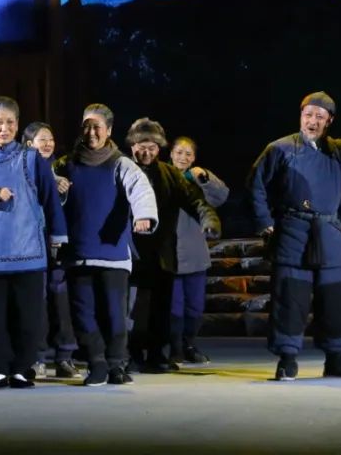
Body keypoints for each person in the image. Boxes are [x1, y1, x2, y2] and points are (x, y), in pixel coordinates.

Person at [248, 91, 341, 381]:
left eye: (319, 117)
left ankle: (335, 358)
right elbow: (256, 185)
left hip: (328, 232)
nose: (312, 121)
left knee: (336, 298)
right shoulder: (279, 149)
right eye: (308, 115)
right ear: (301, 116)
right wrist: (265, 223)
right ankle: (287, 358)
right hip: (292, 232)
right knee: (291, 297)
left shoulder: (339, 151)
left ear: (329, 121)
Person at [0, 99, 68, 389]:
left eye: (9, 122)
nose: (4, 128)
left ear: (17, 125)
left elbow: (50, 199)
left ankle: (21, 367)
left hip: (28, 249)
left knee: (28, 316)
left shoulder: (32, 159)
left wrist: (58, 236)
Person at [54, 103, 158, 386]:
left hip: (112, 254)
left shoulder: (120, 163)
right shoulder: (66, 164)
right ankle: (97, 363)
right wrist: (55, 182)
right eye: (86, 126)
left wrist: (144, 216)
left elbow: (140, 189)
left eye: (97, 126)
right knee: (83, 314)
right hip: (78, 252)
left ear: (109, 130)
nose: (91, 132)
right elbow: (45, 183)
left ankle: (116, 364)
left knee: (114, 315)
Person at [124, 119, 219, 373]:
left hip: (163, 253)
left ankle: (157, 355)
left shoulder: (169, 174)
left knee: (161, 309)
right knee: (133, 310)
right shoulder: (122, 169)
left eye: (153, 147)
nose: (147, 152)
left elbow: (194, 199)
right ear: (132, 146)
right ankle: (129, 354)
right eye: (142, 146)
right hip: (130, 253)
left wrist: (209, 219)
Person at [21, 121, 81, 379]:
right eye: (41, 139)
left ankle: (65, 356)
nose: (47, 144)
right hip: (30, 243)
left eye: (50, 139)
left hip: (58, 245)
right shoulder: (21, 168)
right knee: (37, 300)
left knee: (60, 299)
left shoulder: (64, 168)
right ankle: (37, 357)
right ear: (28, 144)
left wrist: (62, 191)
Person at [167, 135, 229, 364]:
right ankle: (174, 347)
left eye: (188, 154)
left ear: (194, 158)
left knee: (195, 306)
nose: (183, 157)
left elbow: (221, 197)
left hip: (194, 251)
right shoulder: (163, 176)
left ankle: (189, 344)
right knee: (174, 306)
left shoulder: (198, 179)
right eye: (179, 152)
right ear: (171, 154)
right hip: (170, 252)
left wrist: (205, 178)